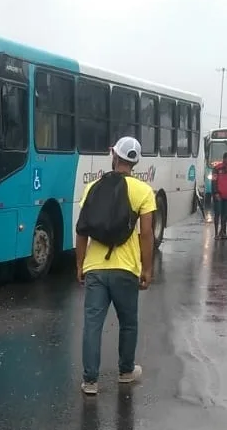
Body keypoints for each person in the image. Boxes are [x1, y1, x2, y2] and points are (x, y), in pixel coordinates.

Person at [75, 136, 156, 395]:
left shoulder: (93, 187)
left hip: (96, 268)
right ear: (135, 161)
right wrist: (147, 269)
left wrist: (80, 265)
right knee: (128, 322)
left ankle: (90, 381)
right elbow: (146, 234)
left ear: (115, 156)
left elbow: (82, 231)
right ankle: (125, 371)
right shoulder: (144, 191)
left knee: (92, 324)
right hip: (126, 269)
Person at [211, 152, 227, 240]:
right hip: (219, 195)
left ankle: (223, 232)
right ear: (224, 159)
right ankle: (216, 233)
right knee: (217, 214)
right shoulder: (216, 168)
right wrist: (216, 193)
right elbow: (213, 181)